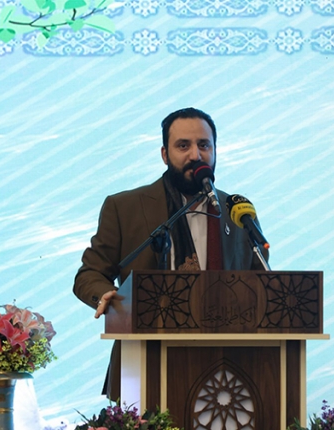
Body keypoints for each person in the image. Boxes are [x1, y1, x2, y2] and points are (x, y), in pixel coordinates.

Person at [73, 107, 268, 400]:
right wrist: (106, 296)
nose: (195, 155)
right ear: (165, 154)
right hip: (144, 361)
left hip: (227, 372)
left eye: (204, 145)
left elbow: (260, 282)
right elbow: (90, 274)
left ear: (215, 151)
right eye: (183, 146)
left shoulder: (238, 212)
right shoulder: (124, 207)